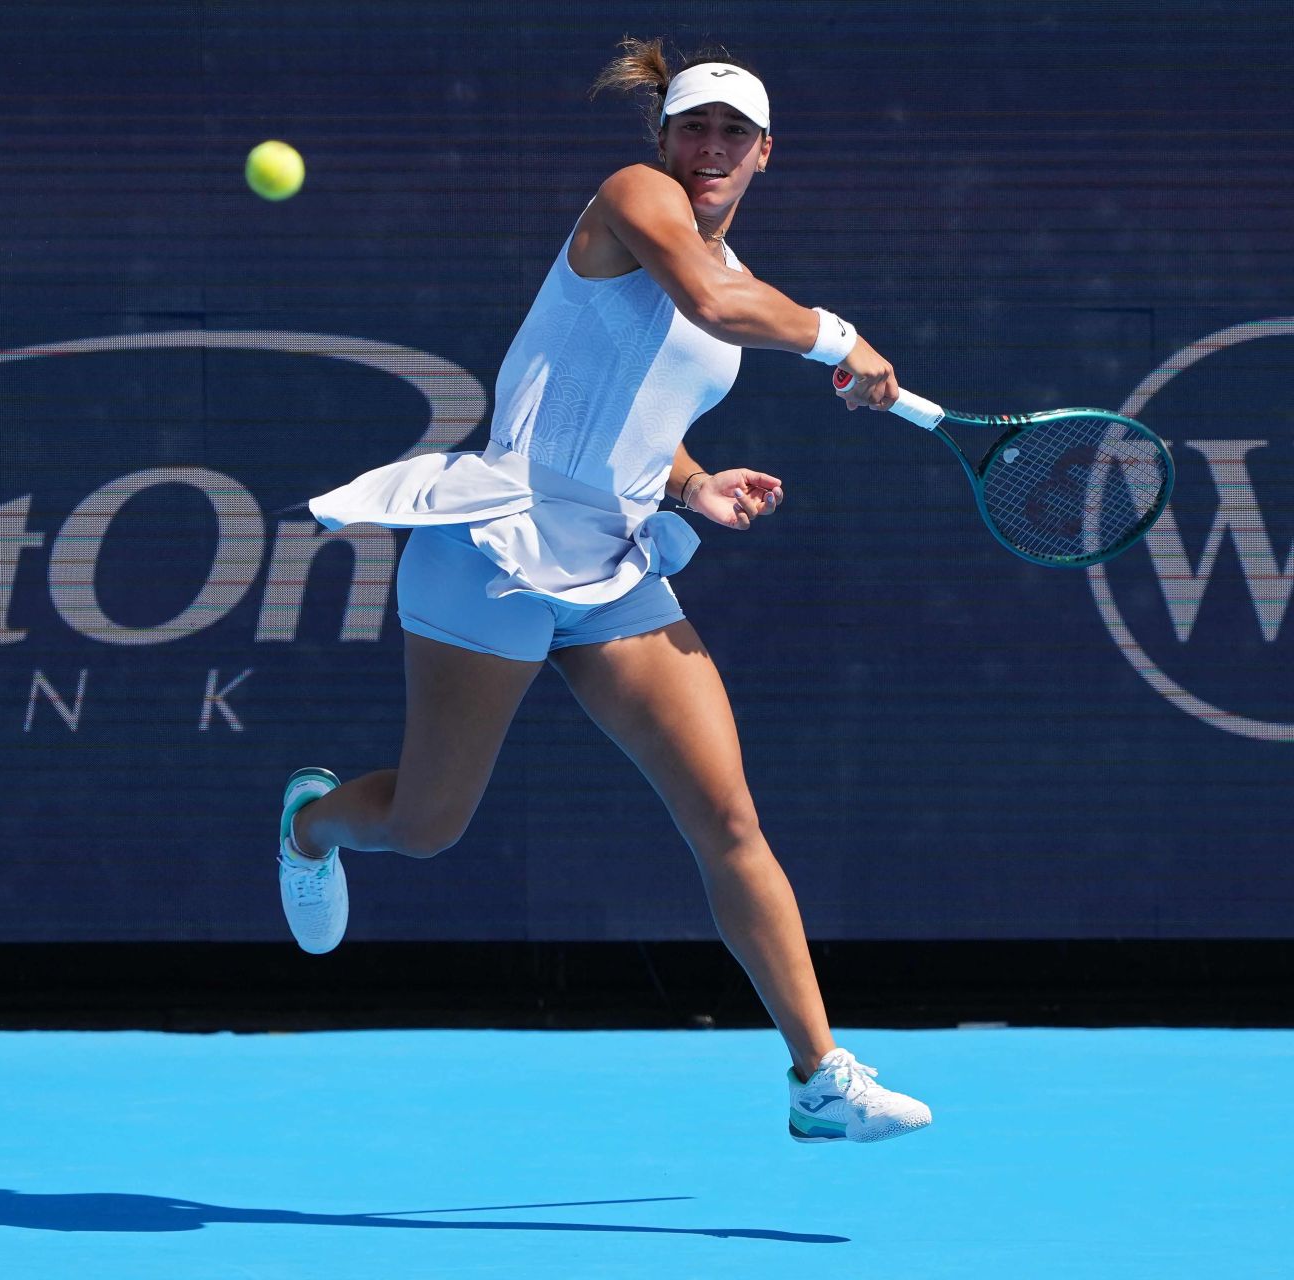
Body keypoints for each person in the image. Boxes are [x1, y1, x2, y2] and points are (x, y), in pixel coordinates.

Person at [275, 37, 931, 1144]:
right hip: (495, 544)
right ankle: (312, 822)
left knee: (727, 815)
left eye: (732, 133)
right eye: (693, 129)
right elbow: (715, 307)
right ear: (663, 141)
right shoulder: (636, 200)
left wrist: (694, 482)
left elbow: (645, 407)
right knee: (428, 825)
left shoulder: (731, 269)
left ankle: (818, 1076)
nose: (709, 147)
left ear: (766, 153)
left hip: (616, 560)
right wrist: (841, 338)